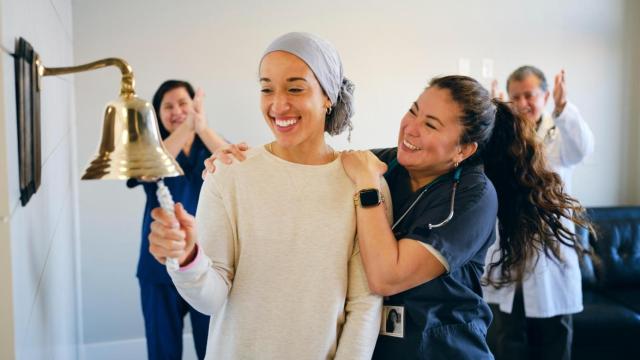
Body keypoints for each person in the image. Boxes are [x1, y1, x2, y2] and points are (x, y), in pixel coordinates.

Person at [208, 75, 591, 359]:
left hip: (440, 348)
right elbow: (314, 165)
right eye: (413, 110)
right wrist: (237, 160)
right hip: (382, 346)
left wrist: (367, 190)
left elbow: (385, 275)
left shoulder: (473, 196)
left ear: (463, 149)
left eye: (431, 125)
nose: (411, 128)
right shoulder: (390, 162)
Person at [147, 32, 386, 359]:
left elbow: (364, 303)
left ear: (328, 96)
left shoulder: (360, 181)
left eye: (295, 88)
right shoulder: (229, 172)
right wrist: (188, 257)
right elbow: (210, 299)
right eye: (266, 88)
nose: (278, 104)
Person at [484, 66, 595, 360]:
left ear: (545, 95)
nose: (522, 104)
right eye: (515, 97)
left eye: (529, 95)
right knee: (508, 341)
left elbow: (583, 149)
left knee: (554, 342)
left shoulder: (560, 136)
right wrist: (497, 118)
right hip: (511, 254)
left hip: (551, 256)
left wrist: (562, 107)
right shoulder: (504, 139)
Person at [126, 79, 229, 360]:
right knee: (163, 351)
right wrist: (187, 126)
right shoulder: (152, 150)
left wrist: (201, 126)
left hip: (205, 266)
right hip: (158, 268)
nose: (176, 111)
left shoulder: (210, 146)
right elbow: (148, 167)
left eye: (183, 103)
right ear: (157, 115)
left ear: (195, 106)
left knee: (212, 349)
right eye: (167, 106)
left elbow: (239, 169)